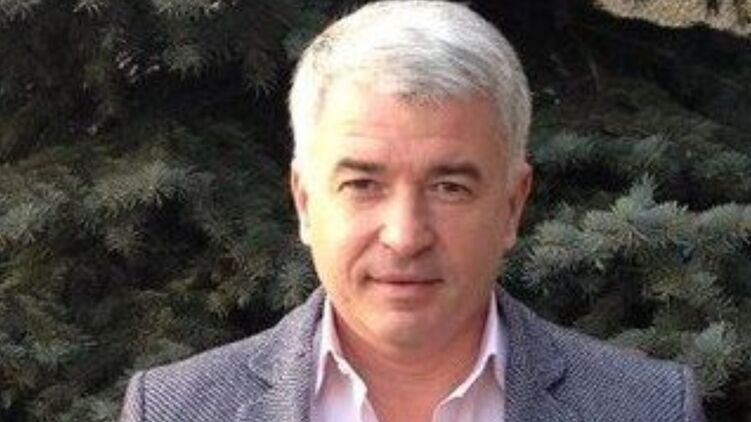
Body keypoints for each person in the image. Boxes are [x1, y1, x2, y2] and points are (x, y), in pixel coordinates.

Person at [119, 1, 706, 421]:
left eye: (449, 186)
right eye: (362, 184)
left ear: (511, 205)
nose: (405, 236)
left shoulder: (649, 408)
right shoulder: (174, 410)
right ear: (305, 201)